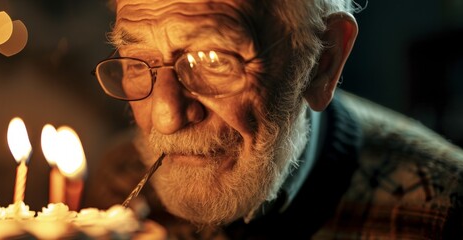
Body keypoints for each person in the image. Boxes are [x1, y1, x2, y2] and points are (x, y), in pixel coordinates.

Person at [87, 0, 463, 239]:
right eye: (140, 59)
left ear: (323, 60)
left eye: (215, 59)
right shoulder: (118, 184)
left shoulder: (440, 212)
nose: (165, 118)